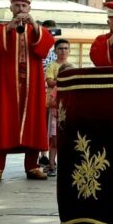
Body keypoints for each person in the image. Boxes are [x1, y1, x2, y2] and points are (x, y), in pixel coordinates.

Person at [0, 0, 56, 182]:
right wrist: (9, 27)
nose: (21, 9)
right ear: (11, 8)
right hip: (6, 84)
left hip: (32, 85)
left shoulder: (36, 30)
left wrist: (33, 24)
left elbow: (45, 47)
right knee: (3, 121)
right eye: (17, 5)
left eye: (24, 6)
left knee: (33, 122)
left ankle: (32, 166)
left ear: (30, 8)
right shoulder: (0, 29)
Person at [45, 37, 72, 176]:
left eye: (66, 48)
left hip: (67, 109)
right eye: (60, 48)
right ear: (55, 50)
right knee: (53, 138)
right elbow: (49, 82)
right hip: (53, 106)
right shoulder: (52, 66)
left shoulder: (71, 66)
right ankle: (50, 164)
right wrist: (64, 81)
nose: (63, 51)